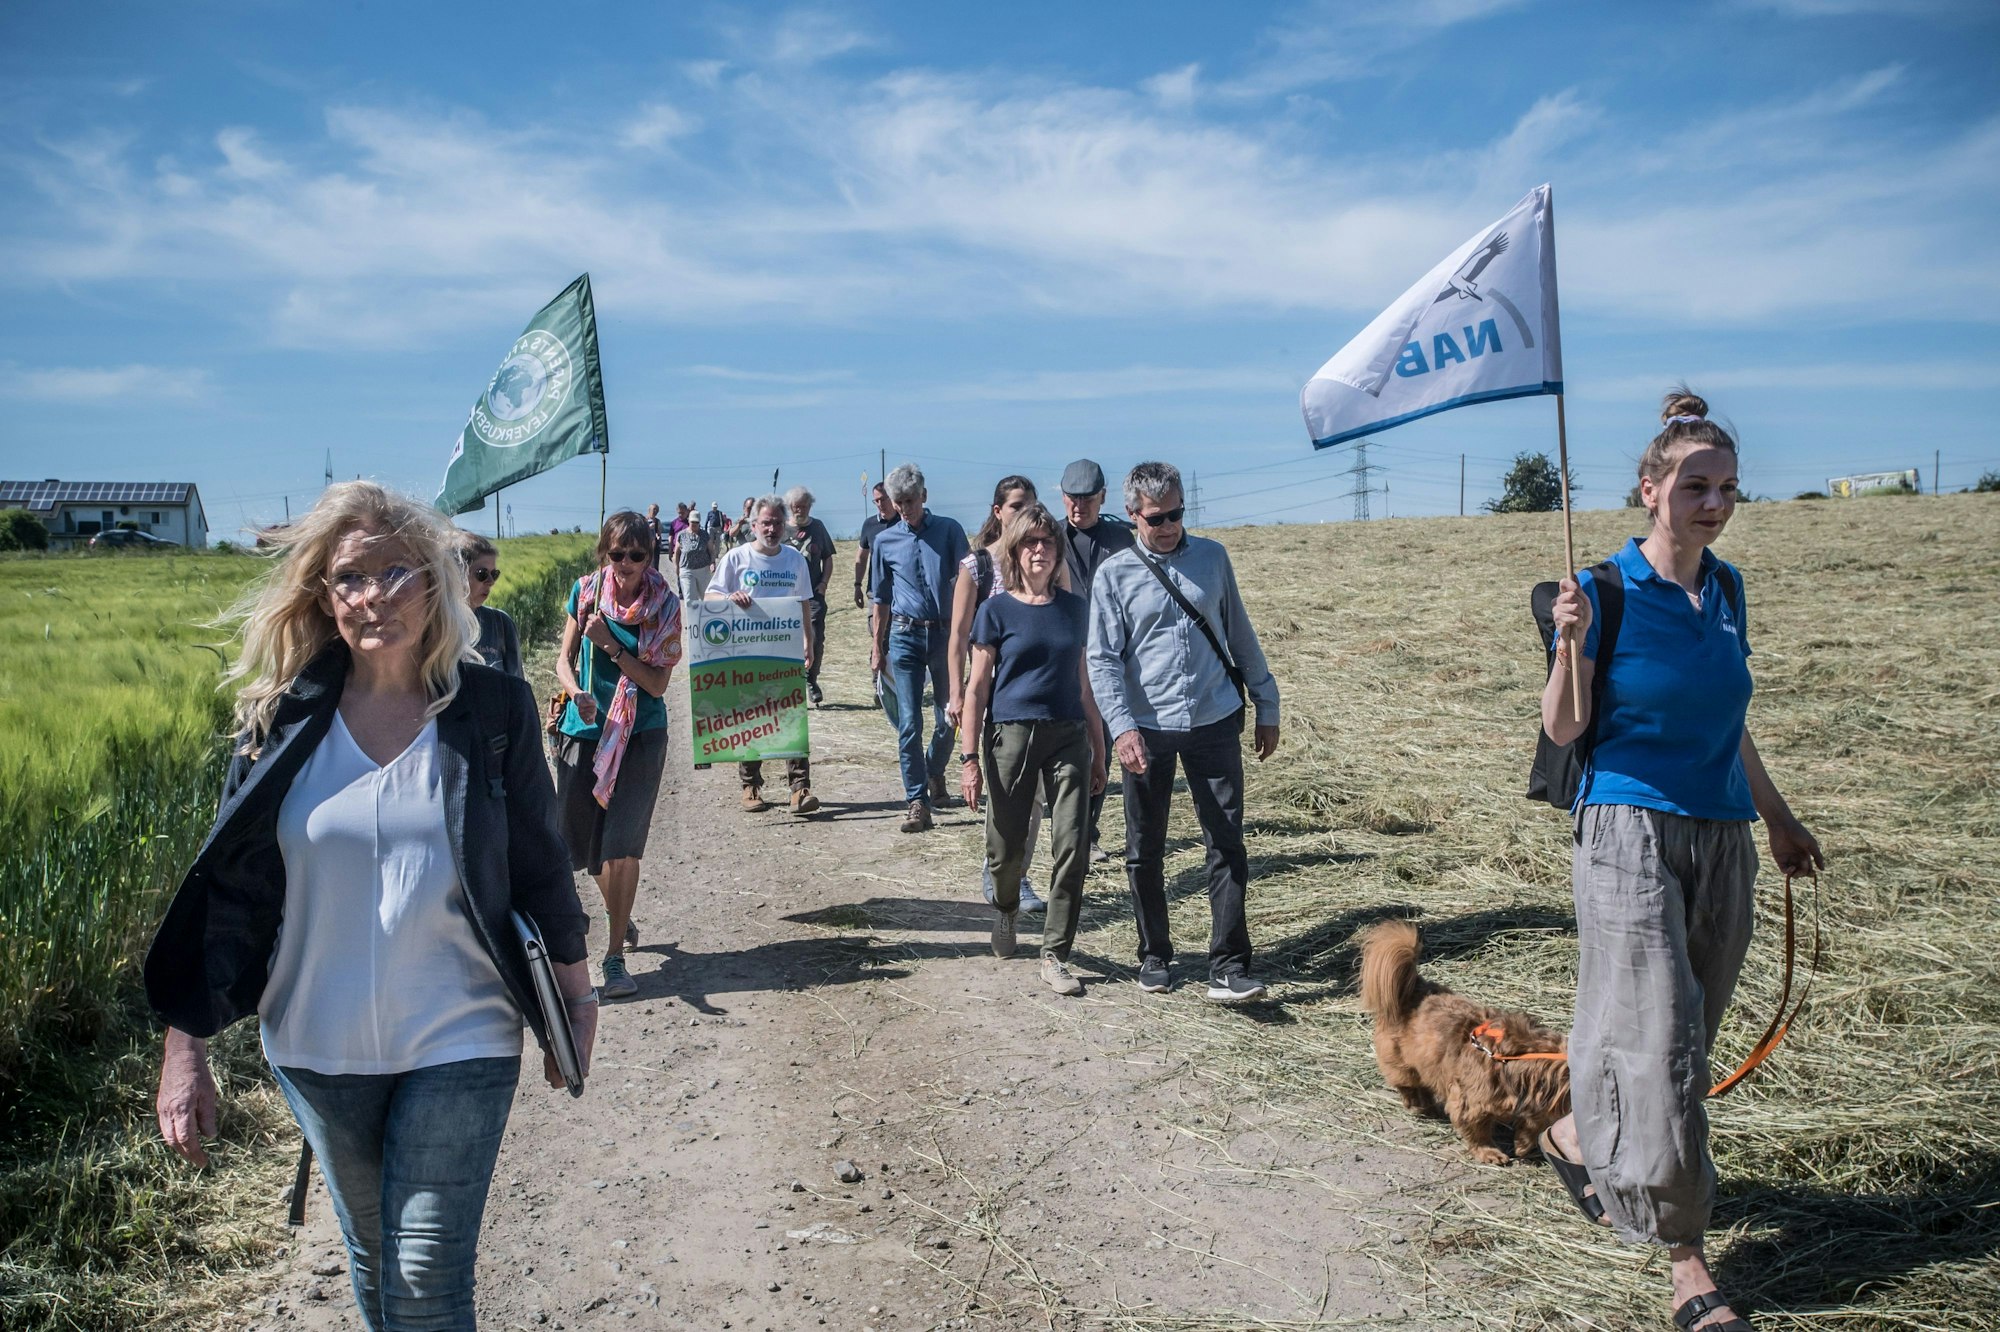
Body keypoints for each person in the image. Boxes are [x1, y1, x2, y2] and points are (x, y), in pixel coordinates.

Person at [146, 481, 594, 1332]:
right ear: (323, 594)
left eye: (397, 572)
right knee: (375, 1264)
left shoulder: (490, 707)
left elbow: (541, 864)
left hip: (461, 1035)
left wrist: (575, 995)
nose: (375, 596)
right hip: (317, 1046)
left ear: (435, 582)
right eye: (351, 577)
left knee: (425, 1273)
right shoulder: (278, 721)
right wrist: (185, 1048)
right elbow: (227, 891)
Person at [1537, 390, 1823, 1332]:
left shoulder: (1728, 589)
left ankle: (1576, 1131)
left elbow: (1730, 719)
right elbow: (1565, 726)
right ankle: (1688, 1265)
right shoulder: (1603, 588)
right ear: (1650, 491)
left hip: (1723, 833)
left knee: (1684, 1036)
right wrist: (1568, 645)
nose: (1715, 503)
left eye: (1729, 487)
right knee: (1658, 1039)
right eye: (1696, 485)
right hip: (1627, 830)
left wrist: (1776, 818)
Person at [1087, 461, 1281, 1004]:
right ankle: (1155, 954)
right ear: (1132, 516)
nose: (1169, 525)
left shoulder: (1214, 559)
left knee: (1226, 843)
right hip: (1146, 730)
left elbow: (1239, 633)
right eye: (1156, 518)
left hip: (1214, 720)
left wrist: (1267, 703)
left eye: (1176, 514)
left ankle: (1229, 964)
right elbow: (1101, 661)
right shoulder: (1114, 576)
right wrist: (1121, 728)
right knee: (1144, 848)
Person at [962, 504, 1107, 996]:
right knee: (1006, 849)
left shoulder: (1075, 610)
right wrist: (967, 760)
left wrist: (1099, 749)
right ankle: (1005, 909)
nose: (1040, 549)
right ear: (1016, 553)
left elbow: (1086, 687)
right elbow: (977, 688)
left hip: (1068, 734)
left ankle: (1055, 954)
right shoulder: (995, 611)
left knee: (1072, 846)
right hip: (1011, 737)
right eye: (1030, 542)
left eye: (1047, 541)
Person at [554, 511, 683, 1000]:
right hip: (585, 731)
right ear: (604, 553)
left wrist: (609, 647)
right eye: (618, 554)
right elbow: (563, 661)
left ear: (651, 557)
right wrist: (575, 692)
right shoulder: (586, 593)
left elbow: (655, 683)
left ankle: (613, 957)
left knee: (622, 847)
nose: (627, 564)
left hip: (641, 736)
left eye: (638, 555)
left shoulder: (665, 607)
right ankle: (621, 916)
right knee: (587, 849)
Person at [945, 475, 1045, 911]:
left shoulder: (1042, 561)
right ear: (997, 511)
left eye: (1030, 505)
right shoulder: (978, 567)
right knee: (1006, 789)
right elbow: (958, 636)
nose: (1023, 512)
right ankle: (1001, 869)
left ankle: (1014, 873)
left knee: (1036, 794)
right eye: (1016, 505)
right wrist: (956, 693)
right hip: (992, 694)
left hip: (1038, 692)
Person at [869, 463, 969, 833]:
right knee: (909, 722)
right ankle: (917, 801)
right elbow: (879, 598)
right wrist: (877, 648)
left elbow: (968, 582)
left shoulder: (950, 531)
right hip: (904, 636)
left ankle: (933, 771)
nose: (905, 508)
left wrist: (970, 635)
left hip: (945, 637)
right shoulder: (885, 541)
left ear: (924, 497)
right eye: (899, 502)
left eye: (910, 500)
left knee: (949, 718)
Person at [709, 494, 819, 815]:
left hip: (783, 652)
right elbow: (709, 594)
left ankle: (800, 789)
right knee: (750, 717)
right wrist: (730, 595)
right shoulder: (736, 558)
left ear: (785, 526)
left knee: (792, 717)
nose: (771, 528)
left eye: (776, 523)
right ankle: (751, 785)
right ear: (754, 525)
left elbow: (803, 603)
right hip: (745, 652)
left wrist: (807, 643)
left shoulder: (795, 559)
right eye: (765, 522)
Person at [1058, 458, 1136, 861]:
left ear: (1103, 496)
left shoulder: (1125, 539)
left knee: (1100, 742)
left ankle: (1087, 832)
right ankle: (1066, 828)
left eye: (1087, 499)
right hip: (1062, 657)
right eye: (1072, 498)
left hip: (1110, 659)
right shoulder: (1048, 537)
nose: (1079, 507)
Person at [784, 485, 837, 707]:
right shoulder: (781, 529)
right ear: (790, 507)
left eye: (805, 506)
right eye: (797, 506)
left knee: (814, 638)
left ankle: (810, 680)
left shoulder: (818, 527)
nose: (801, 510)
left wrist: (823, 584)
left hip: (813, 594)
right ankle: (787, 684)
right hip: (785, 596)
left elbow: (828, 558)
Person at [456, 529, 522, 679]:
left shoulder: (501, 623)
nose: (491, 582)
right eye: (482, 574)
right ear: (456, 573)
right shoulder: (433, 626)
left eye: (494, 574)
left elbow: (517, 687)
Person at [853, 482, 898, 610]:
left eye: (883, 499)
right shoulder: (869, 524)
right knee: (876, 628)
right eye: (876, 501)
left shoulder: (904, 522)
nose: (880, 504)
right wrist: (857, 585)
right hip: (876, 591)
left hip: (901, 592)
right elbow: (861, 557)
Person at [674, 496, 718, 607]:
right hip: (686, 570)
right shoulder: (682, 535)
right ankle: (693, 623)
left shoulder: (704, 535)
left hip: (703, 570)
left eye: (696, 523)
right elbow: (677, 552)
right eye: (692, 522)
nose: (694, 525)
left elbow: (711, 551)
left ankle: (707, 620)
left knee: (706, 598)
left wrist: (712, 562)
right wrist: (677, 567)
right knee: (690, 600)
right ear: (688, 521)